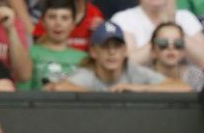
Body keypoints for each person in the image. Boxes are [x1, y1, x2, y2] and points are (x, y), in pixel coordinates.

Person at [53, 20, 184, 92]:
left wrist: (140, 89)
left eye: (117, 46)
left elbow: (183, 88)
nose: (112, 52)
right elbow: (58, 88)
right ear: (93, 52)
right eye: (105, 46)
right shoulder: (88, 74)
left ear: (125, 50)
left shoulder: (133, 71)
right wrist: (102, 96)